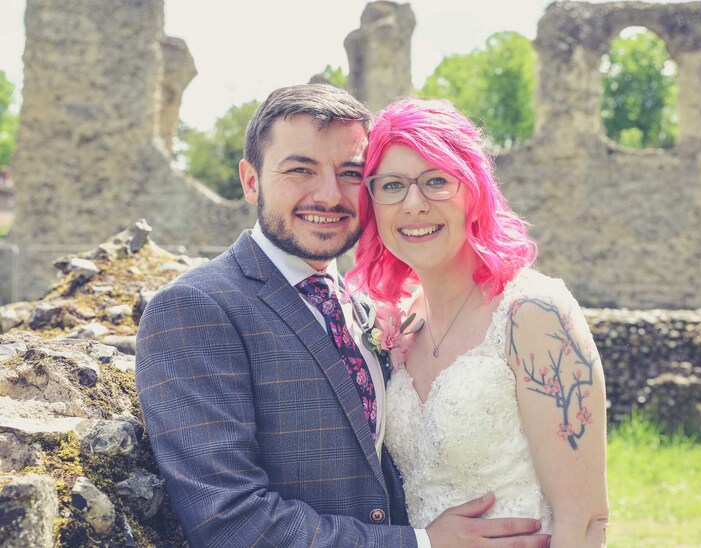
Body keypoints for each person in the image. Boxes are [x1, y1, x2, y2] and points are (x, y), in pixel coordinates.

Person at [135, 84, 551, 547]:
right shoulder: (195, 309)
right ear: (251, 180)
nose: (329, 196)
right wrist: (422, 544)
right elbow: (230, 521)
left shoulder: (368, 309)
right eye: (300, 170)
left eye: (350, 173)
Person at [348, 97, 610, 547]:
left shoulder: (534, 314)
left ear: (473, 191)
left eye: (436, 181)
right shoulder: (400, 325)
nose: (413, 204)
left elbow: (585, 522)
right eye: (391, 185)